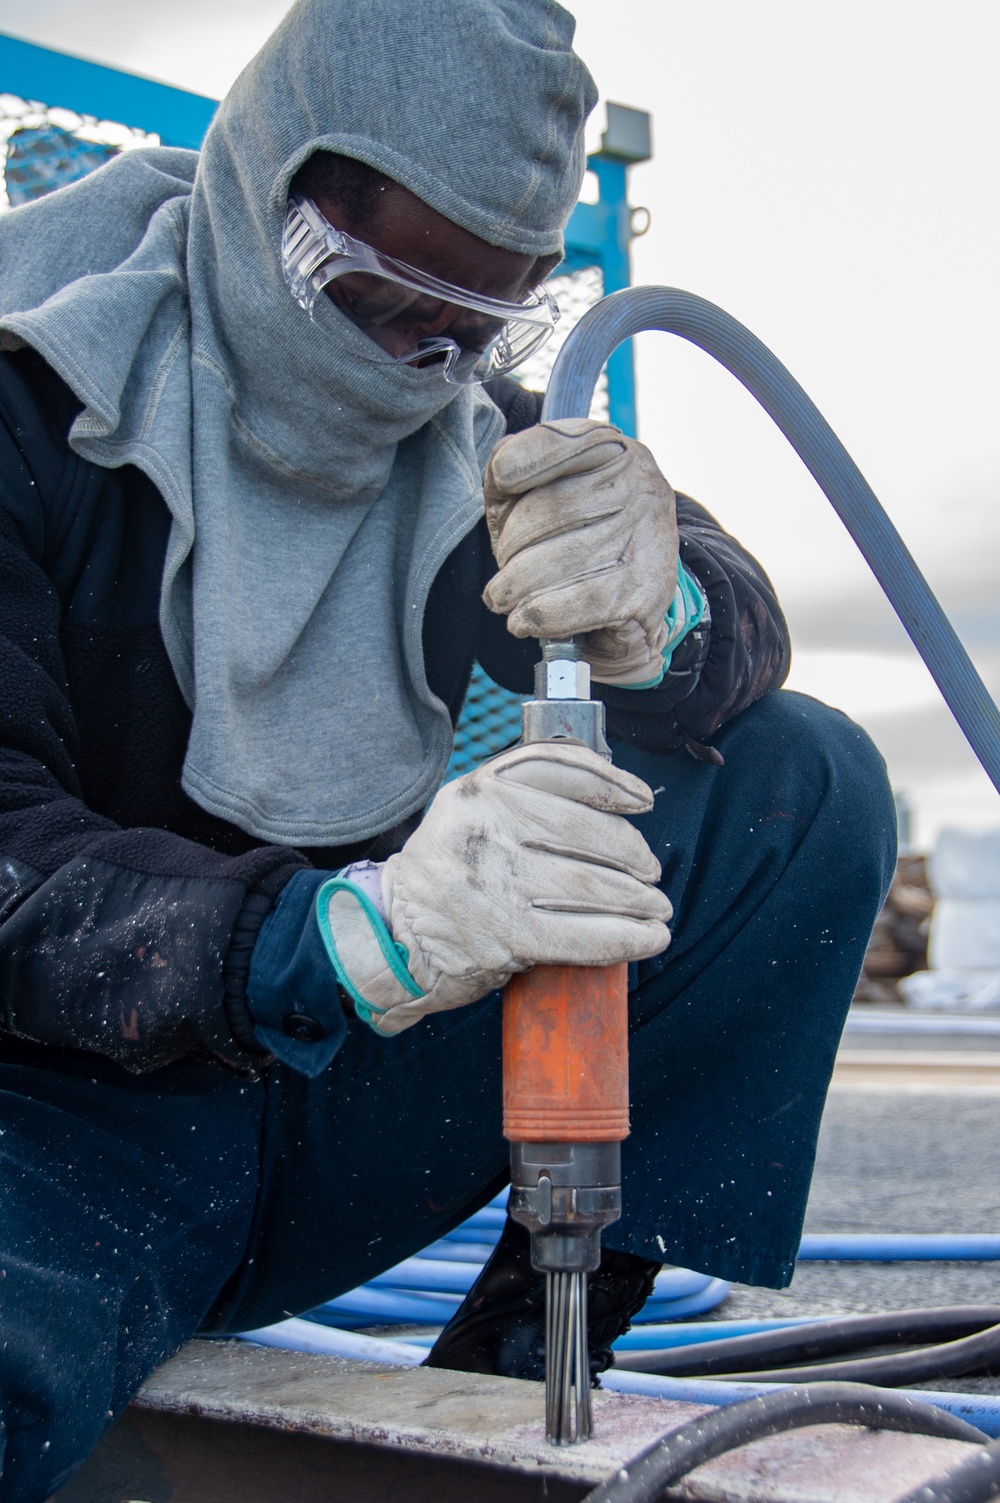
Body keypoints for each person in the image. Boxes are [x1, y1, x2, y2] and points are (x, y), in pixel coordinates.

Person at [0, 0, 896, 1496]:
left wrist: (671, 601)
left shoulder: (459, 438)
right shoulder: (34, 402)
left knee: (804, 783)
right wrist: (342, 935)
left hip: (331, 1092)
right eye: (379, 300)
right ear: (266, 195)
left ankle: (528, 1362)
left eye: (479, 331)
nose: (422, 365)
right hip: (60, 1118)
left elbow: (733, 662)